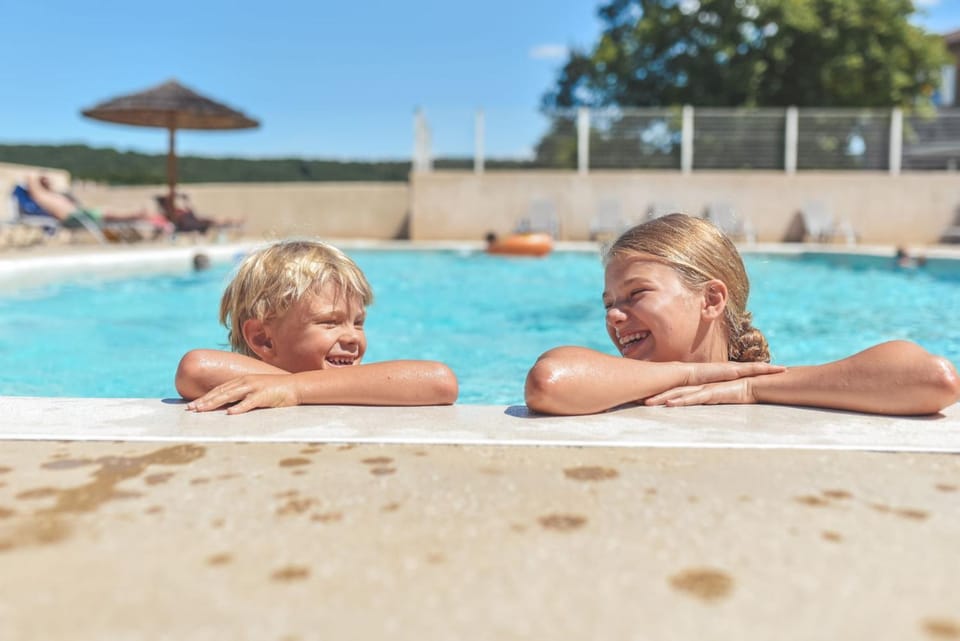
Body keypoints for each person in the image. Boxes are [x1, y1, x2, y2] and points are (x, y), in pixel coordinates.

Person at [525, 214, 960, 416]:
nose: (615, 317)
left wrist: (751, 387)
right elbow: (550, 381)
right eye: (608, 304)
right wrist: (691, 375)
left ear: (712, 300)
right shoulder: (616, 383)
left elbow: (933, 379)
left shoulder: (767, 387)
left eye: (635, 294)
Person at [176, 239, 459, 414]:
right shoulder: (246, 380)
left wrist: (297, 389)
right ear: (264, 339)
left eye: (358, 323)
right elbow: (196, 368)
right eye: (329, 322)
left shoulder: (355, 383)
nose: (352, 337)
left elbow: (440, 381)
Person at [25, 175, 170, 234]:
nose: (47, 181)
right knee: (106, 212)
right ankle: (137, 215)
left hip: (80, 214)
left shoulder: (53, 194)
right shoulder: (41, 196)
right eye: (44, 181)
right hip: (73, 218)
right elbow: (31, 180)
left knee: (107, 213)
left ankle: (139, 216)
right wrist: (34, 177)